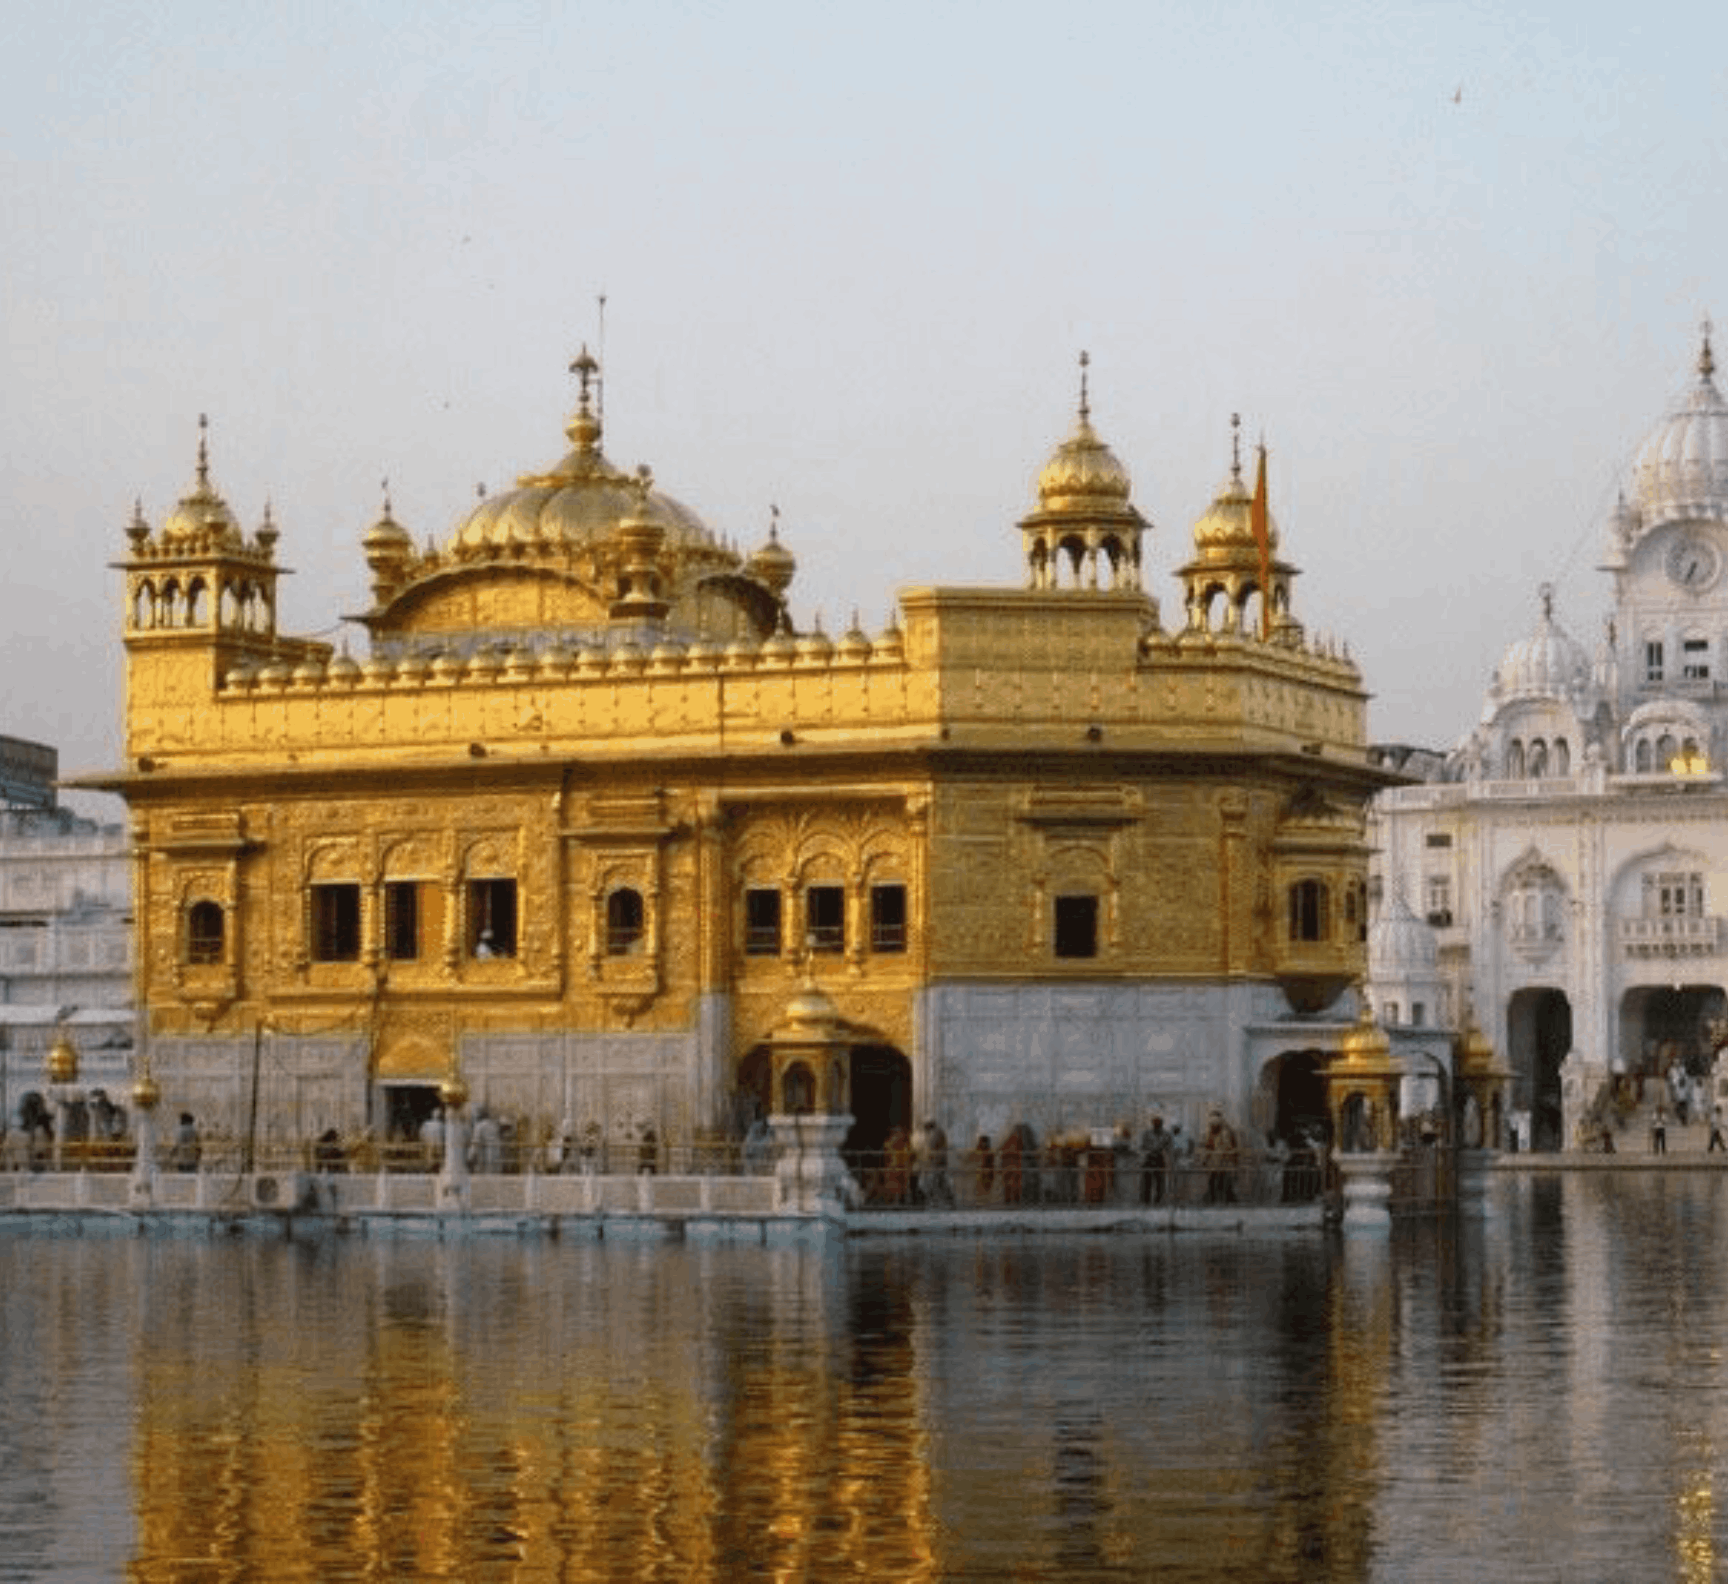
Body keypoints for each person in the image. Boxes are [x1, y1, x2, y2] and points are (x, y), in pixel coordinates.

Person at [1139, 1115, 1172, 1205]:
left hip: (1159, 1158)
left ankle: (1158, 1200)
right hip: (1149, 1158)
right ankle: (1146, 1200)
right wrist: (1151, 1149)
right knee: (1147, 1181)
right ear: (1152, 1124)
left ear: (1161, 1124)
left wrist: (1162, 1150)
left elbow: (1169, 1146)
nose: (1156, 1125)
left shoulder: (1166, 1135)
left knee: (1160, 1181)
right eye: (1155, 1123)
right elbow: (1143, 1145)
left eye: (1158, 1123)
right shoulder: (1147, 1134)